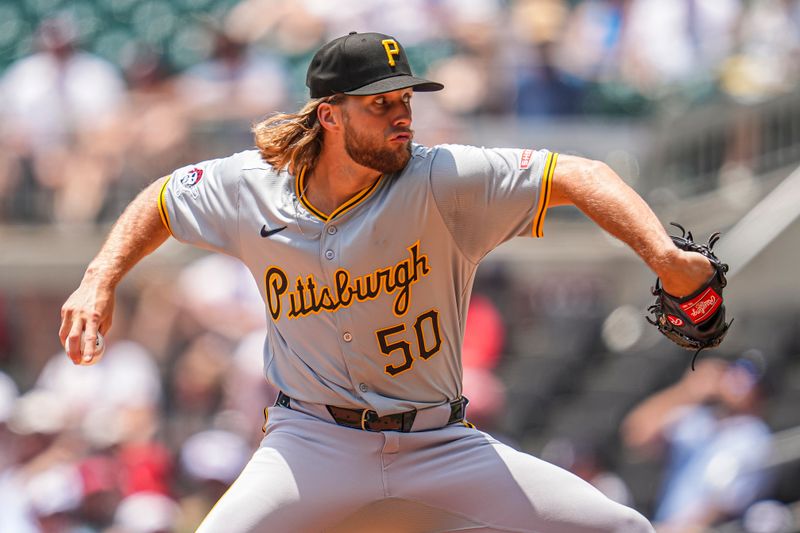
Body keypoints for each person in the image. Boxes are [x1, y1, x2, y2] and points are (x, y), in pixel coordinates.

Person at [60, 31, 714, 532]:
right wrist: (98, 278)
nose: (403, 116)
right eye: (381, 104)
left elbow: (581, 173)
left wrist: (664, 254)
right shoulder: (252, 188)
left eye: (405, 99)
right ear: (330, 116)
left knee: (624, 525)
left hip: (439, 441)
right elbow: (163, 199)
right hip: (312, 441)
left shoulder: (442, 178)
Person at [622, 355, 774, 532]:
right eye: (732, 374)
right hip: (666, 525)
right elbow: (636, 435)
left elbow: (720, 505)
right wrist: (687, 391)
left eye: (745, 380)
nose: (735, 383)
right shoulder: (700, 420)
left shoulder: (753, 436)